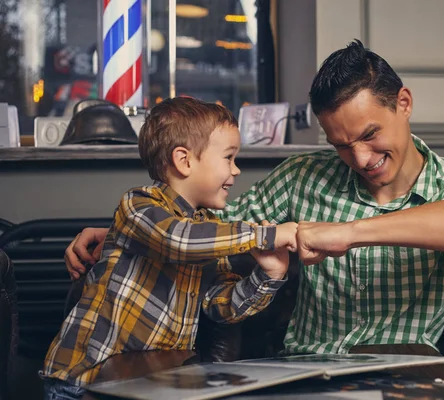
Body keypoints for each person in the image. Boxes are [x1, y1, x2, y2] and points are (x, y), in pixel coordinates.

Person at [64, 41, 444, 399]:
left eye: (371, 134)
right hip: (302, 372)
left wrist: (349, 234)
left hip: (407, 374)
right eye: (341, 145)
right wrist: (125, 235)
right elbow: (221, 226)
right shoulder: (305, 175)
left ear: (404, 103)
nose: (361, 157)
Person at [42, 97, 297, 400]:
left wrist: (268, 275)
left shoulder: (209, 228)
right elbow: (178, 240)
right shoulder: (137, 205)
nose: (236, 170)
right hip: (85, 379)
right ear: (184, 161)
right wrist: (265, 234)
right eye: (228, 158)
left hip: (149, 383)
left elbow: (221, 306)